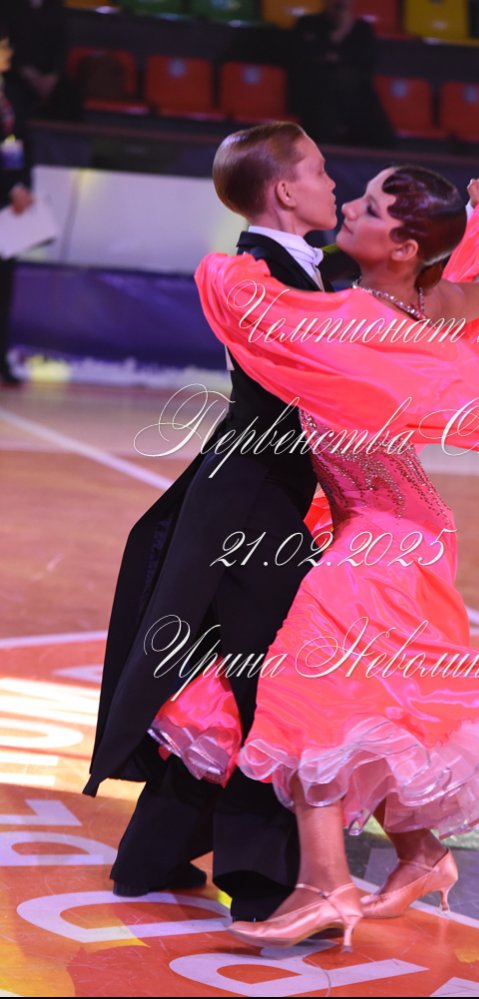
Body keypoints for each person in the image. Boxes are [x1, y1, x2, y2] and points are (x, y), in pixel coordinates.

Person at [149, 165, 479, 950]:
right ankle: (422, 854)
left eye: (370, 206)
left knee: (305, 684)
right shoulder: (431, 301)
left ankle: (326, 882)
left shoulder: (355, 319)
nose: (350, 205)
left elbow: (251, 308)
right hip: (398, 526)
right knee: (373, 699)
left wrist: (222, 266)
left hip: (388, 537)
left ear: (403, 246)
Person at [83, 122, 339, 920]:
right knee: (273, 681)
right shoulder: (251, 272)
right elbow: (318, 378)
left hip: (258, 490)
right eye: (320, 171)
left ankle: (151, 854)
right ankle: (263, 884)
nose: (333, 183)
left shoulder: (299, 266)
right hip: (250, 500)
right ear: (286, 190)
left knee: (236, 669)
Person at [289, 0, 395, 148]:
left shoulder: (362, 29)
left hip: (354, 99)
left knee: (353, 84)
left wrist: (331, 56)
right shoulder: (307, 24)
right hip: (315, 95)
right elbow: (303, 60)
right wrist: (340, 34)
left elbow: (366, 65)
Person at [0, 24, 33, 387]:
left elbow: (18, 143)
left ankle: (1, 360)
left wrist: (22, 187)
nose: (7, 53)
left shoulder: (11, 93)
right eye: (2, 47)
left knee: (4, 286)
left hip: (9, 208)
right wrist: (10, 186)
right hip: (4, 193)